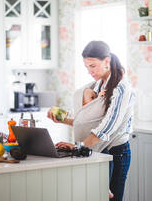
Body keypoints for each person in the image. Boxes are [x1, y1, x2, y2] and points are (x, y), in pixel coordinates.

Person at [47, 40, 135, 201]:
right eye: (86, 66)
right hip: (96, 148)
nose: (89, 71)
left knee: (111, 199)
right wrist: (63, 119)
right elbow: (88, 121)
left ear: (106, 61)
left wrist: (77, 147)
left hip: (117, 152)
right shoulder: (97, 85)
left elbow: (106, 128)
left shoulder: (122, 87)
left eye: (92, 66)